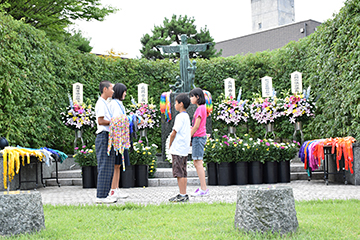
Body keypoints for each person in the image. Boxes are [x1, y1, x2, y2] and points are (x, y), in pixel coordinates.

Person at [95, 80, 117, 204]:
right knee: (104, 166)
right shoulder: (101, 104)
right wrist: (116, 121)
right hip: (103, 136)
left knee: (109, 166)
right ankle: (101, 196)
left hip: (108, 136)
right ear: (105, 89)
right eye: (111, 89)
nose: (113, 91)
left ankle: (105, 194)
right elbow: (101, 121)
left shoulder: (105, 103)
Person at [107, 83, 130, 200]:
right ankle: (112, 190)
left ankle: (116, 189)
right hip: (117, 139)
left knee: (119, 165)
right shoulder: (114, 104)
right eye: (124, 91)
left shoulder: (119, 104)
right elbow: (117, 120)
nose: (125, 93)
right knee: (116, 164)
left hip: (122, 138)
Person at [168, 93, 191, 202]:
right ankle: (183, 193)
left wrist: (170, 144)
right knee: (183, 172)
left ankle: (182, 195)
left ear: (181, 104)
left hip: (178, 148)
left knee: (179, 173)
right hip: (184, 149)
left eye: (176, 103)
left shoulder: (179, 116)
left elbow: (174, 132)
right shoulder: (186, 116)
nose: (174, 105)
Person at [189, 88, 209, 197]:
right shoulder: (200, 108)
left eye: (192, 96)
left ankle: (204, 189)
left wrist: (188, 137)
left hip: (198, 137)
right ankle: (203, 187)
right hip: (197, 137)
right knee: (197, 162)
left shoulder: (201, 108)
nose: (191, 98)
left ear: (197, 97)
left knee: (198, 162)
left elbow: (196, 126)